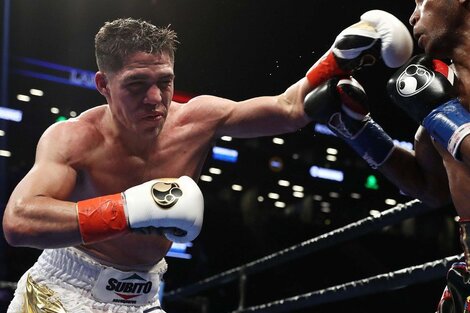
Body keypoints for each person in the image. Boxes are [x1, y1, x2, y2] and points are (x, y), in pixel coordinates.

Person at [2, 13, 412, 312]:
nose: (155, 99)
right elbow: (19, 222)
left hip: (143, 297)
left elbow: (289, 109)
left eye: (165, 81)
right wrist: (125, 210)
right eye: (136, 85)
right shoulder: (73, 138)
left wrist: (337, 58)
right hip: (61, 293)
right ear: (103, 85)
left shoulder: (197, 120)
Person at [303, 1, 470, 312]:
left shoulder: (439, 100)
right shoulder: (442, 83)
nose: (413, 16)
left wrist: (442, 114)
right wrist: (357, 130)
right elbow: (430, 187)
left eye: (422, 1)